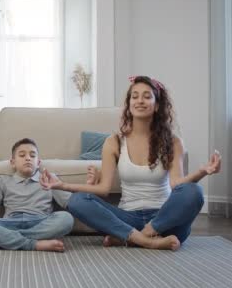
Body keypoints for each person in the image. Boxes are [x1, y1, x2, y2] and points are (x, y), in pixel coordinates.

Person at [41, 76, 221, 251]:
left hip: (165, 219)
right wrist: (62, 185)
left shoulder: (173, 142)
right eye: (134, 96)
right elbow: (103, 189)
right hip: (128, 218)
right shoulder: (114, 142)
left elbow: (177, 185)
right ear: (128, 104)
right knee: (78, 200)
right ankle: (148, 241)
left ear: (157, 105)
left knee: (194, 191)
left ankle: (136, 236)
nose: (140, 101)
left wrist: (202, 171)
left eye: (147, 96)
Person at [0, 138, 74, 252]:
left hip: (40, 222)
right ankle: (34, 244)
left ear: (38, 163)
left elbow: (71, 203)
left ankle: (3, 240)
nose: (28, 158)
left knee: (66, 218)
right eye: (22, 155)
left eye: (32, 156)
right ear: (13, 162)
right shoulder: (3, 181)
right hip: (10, 223)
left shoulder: (49, 178)